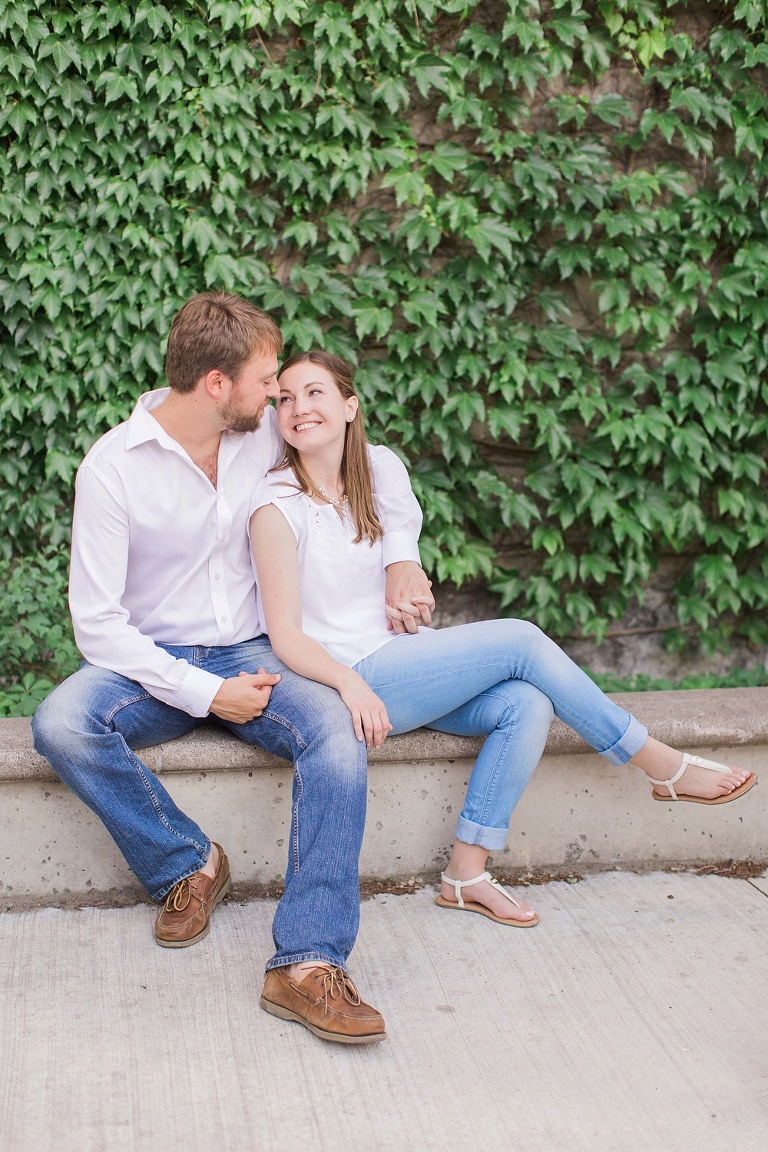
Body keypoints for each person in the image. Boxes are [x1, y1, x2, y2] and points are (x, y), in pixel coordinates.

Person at [32, 292, 433, 1047]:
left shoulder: (262, 440)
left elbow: (370, 465)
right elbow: (98, 624)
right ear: (217, 384)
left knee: (338, 734)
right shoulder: (113, 468)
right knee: (60, 723)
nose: (279, 394)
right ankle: (188, 860)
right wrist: (205, 691)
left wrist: (400, 557)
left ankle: (308, 963)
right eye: (265, 380)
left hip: (258, 653)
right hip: (153, 664)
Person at [250, 349, 757, 930]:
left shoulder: (377, 467)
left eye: (314, 393)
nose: (298, 407)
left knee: (525, 702)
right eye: (285, 397)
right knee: (519, 639)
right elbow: (284, 634)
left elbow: (401, 534)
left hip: (405, 661)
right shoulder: (275, 505)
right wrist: (350, 686)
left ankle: (466, 873)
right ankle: (658, 763)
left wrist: (406, 579)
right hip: (351, 675)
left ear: (349, 405)